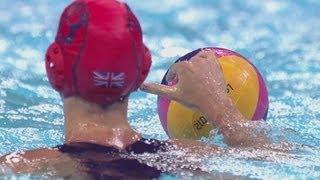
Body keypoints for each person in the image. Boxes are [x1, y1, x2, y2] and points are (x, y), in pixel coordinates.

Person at [0, 0, 281, 178]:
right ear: (141, 69)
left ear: (54, 67)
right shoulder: (186, 159)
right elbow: (275, 162)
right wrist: (221, 111)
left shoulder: (23, 165)